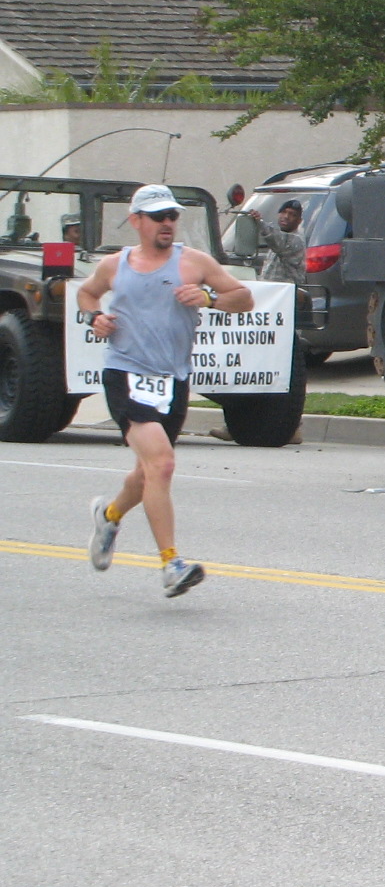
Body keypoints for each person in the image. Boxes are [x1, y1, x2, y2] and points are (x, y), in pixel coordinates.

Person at [74, 184, 254, 597]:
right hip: (125, 373)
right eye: (158, 217)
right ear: (136, 221)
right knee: (163, 464)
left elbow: (242, 298)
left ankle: (110, 514)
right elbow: (86, 294)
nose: (167, 223)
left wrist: (208, 297)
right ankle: (171, 564)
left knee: (147, 471)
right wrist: (95, 318)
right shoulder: (115, 265)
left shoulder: (194, 262)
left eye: (172, 215)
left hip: (172, 379)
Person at [249, 198, 306, 286]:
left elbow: (275, 238)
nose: (286, 216)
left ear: (299, 221)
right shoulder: (278, 239)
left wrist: (259, 222)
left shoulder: (296, 240)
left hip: (287, 294)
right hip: (271, 292)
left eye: (292, 215)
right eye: (284, 212)